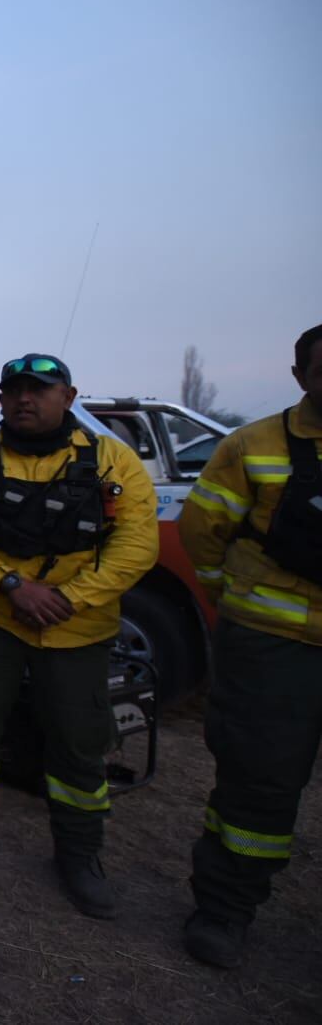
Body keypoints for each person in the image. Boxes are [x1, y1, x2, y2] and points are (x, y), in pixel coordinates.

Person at [0, 353, 157, 918]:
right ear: (1, 399)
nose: (26, 399)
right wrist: (10, 585)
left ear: (69, 397)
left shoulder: (112, 463)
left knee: (79, 742)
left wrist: (71, 599)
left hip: (78, 627)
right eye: (15, 391)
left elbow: (136, 545)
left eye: (41, 390)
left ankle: (79, 857)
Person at [179, 323, 322, 968]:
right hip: (272, 648)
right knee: (256, 789)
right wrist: (231, 602)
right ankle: (225, 909)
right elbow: (203, 534)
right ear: (300, 376)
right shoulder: (255, 445)